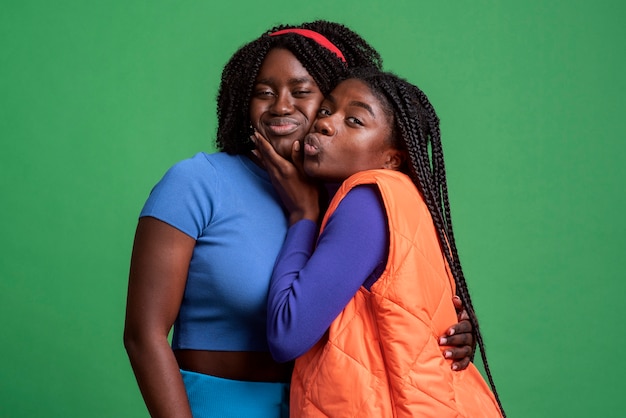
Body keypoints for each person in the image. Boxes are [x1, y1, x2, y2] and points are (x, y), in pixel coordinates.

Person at [123, 21, 476, 418]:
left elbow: (386, 308)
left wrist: (449, 332)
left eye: (302, 92)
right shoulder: (197, 183)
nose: (280, 106)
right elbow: (143, 335)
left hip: (315, 405)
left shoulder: (348, 199)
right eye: (264, 92)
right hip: (216, 404)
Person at [253, 67, 505, 417]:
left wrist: (302, 214)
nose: (325, 123)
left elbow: (286, 334)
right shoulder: (406, 200)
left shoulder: (368, 199)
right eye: (326, 111)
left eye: (354, 121)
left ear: (391, 158)